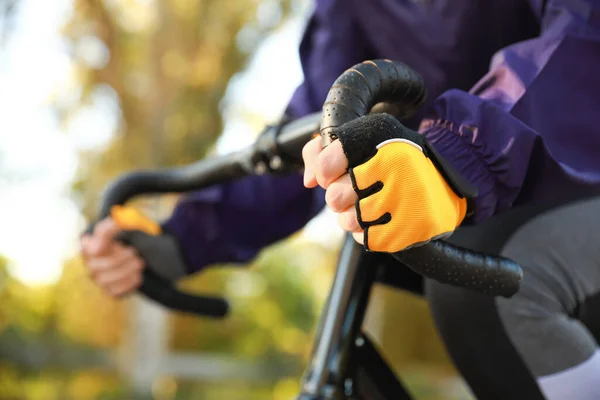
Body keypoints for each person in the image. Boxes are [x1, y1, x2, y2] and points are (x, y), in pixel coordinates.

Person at [80, 1, 600, 399]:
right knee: (398, 251)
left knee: (484, 288)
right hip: (484, 198)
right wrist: (179, 239)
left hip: (577, 183)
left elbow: (579, 38)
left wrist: (462, 156)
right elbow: (318, 129)